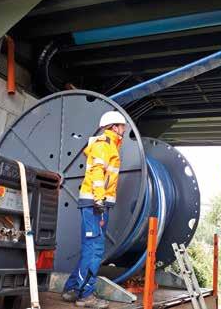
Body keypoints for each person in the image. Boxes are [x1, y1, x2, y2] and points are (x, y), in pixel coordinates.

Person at [62, 111, 126, 308]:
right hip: (95, 204)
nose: (124, 130)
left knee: (90, 248)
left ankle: (73, 289)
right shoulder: (103, 146)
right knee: (95, 249)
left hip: (96, 203)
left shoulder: (109, 146)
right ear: (113, 127)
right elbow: (97, 173)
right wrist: (99, 200)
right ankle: (85, 296)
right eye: (122, 126)